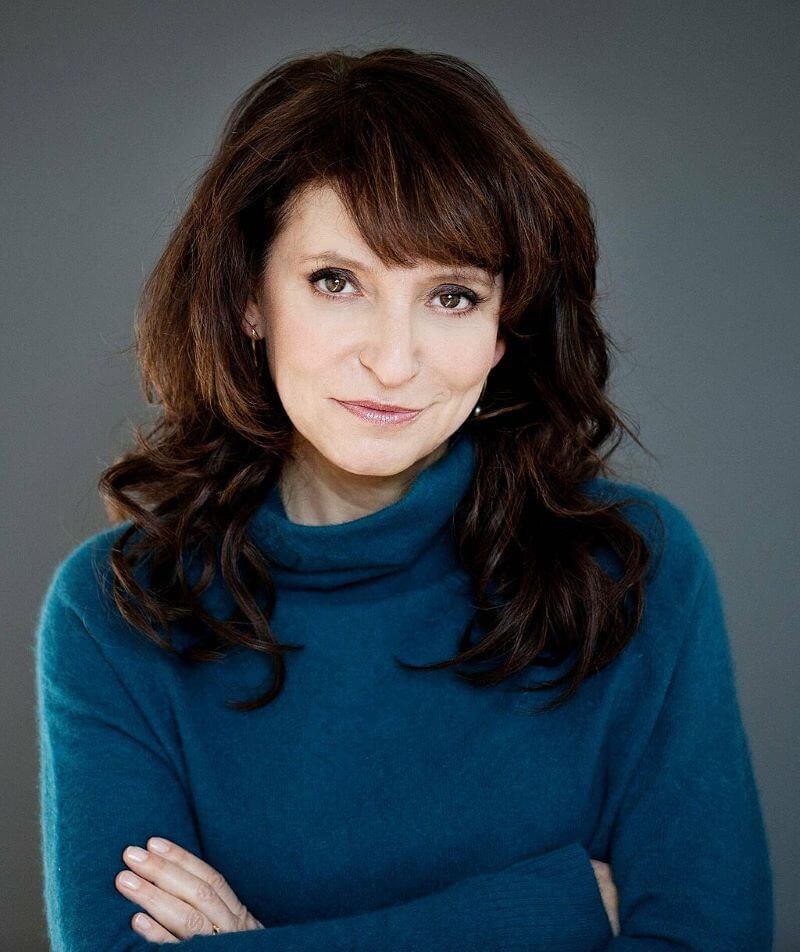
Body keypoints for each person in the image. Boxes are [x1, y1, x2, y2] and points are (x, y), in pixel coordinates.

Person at [34, 47, 773, 950]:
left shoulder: (631, 571)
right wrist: (543, 915)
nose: (393, 360)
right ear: (248, 298)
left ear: (506, 331)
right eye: (337, 282)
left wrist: (257, 943)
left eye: (453, 296)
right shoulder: (119, 610)